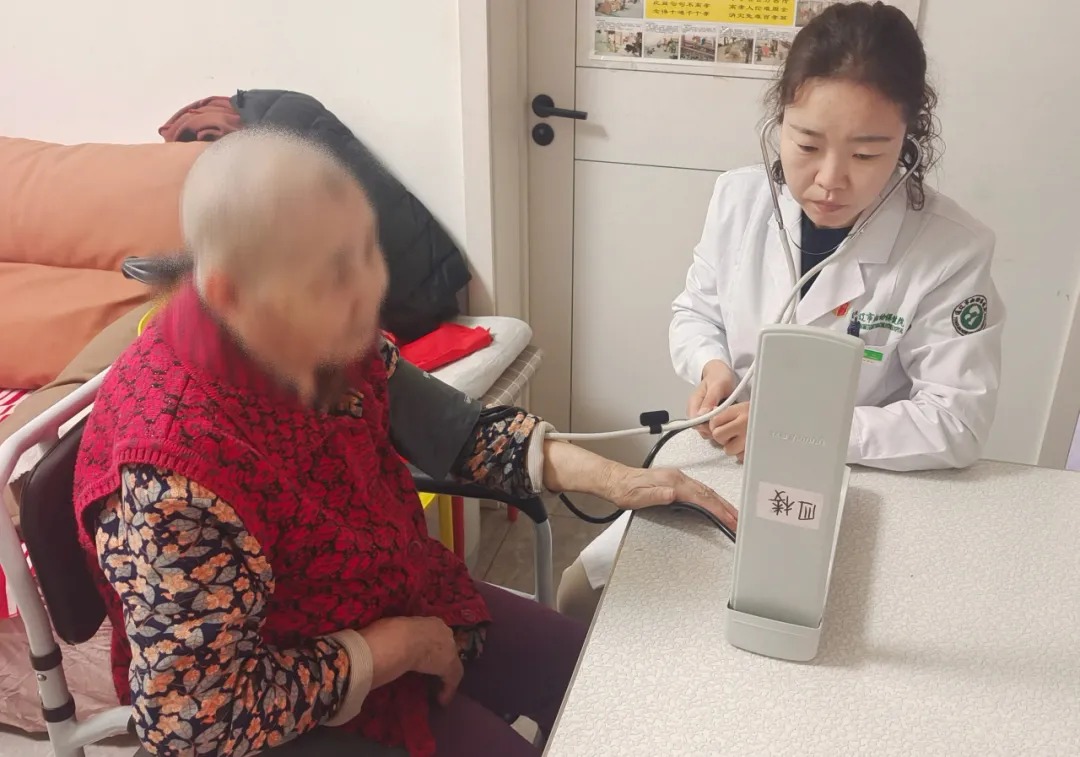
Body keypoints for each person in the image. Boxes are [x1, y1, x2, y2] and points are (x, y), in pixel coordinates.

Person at [71, 129, 738, 757]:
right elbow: (195, 720)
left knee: (605, 683)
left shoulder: (321, 335)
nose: (369, 291)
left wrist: (621, 480)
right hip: (283, 697)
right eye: (332, 274)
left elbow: (460, 432)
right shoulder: (171, 471)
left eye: (367, 250)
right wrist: (395, 647)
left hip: (392, 595)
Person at [557, 1, 1004, 625]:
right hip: (730, 464)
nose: (830, 179)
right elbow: (696, 311)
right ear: (780, 119)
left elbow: (957, 421)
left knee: (802, 622)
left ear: (909, 138)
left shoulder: (949, 250)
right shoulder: (739, 200)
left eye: (867, 154)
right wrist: (710, 364)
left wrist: (800, 432)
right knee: (582, 593)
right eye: (807, 144)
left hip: (864, 482)